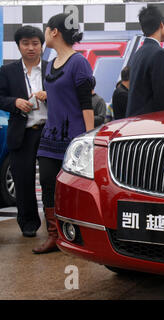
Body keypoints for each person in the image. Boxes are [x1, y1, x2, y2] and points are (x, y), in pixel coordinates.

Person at [32, 13, 94, 254]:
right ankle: (54, 235)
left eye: (46, 30)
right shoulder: (51, 63)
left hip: (74, 138)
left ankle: (77, 236)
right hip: (50, 136)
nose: (44, 34)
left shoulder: (79, 62)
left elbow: (85, 104)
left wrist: (89, 140)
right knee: (47, 182)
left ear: (54, 32)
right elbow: (60, 94)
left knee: (74, 188)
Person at [0, 26, 48, 238]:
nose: (31, 48)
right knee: (23, 178)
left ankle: (55, 224)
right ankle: (28, 223)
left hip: (49, 131)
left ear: (41, 45)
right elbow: (0, 98)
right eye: (26, 44)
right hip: (22, 131)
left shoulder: (51, 69)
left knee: (51, 180)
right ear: (18, 45)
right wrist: (14, 102)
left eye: (35, 43)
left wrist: (50, 95)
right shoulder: (7, 71)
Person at [126, 5, 164, 117]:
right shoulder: (159, 53)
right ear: (161, 25)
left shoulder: (138, 53)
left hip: (134, 119)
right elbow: (161, 94)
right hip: (149, 121)